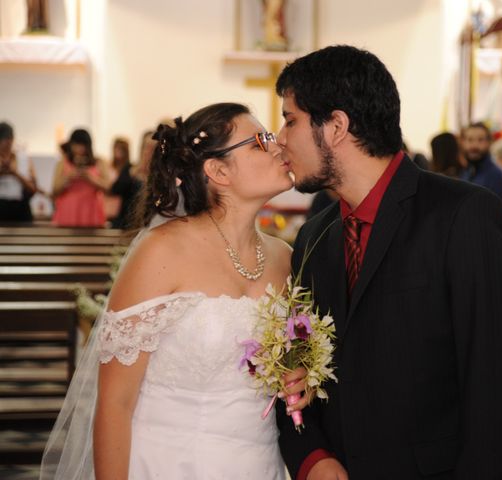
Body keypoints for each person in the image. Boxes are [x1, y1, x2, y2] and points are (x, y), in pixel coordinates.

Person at [275, 45, 502, 480]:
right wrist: (311, 456)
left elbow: (499, 390)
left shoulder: (463, 215)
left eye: (290, 119)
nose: (281, 137)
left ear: (336, 126)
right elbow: (294, 369)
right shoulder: (314, 237)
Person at [40, 103, 306, 479]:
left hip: (259, 463)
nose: (278, 144)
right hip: (167, 463)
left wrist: (300, 375)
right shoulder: (161, 253)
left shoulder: (284, 257)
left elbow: (287, 364)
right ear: (217, 170)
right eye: (260, 141)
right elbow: (115, 402)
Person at [51, 129, 110, 227]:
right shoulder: (62, 163)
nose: (79, 149)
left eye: (83, 145)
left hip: (91, 210)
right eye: (76, 145)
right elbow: (54, 190)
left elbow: (108, 188)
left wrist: (90, 178)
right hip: (68, 211)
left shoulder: (99, 162)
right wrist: (69, 177)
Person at [459, 122, 502, 206]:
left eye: (480, 140)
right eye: (470, 140)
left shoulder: (498, 177)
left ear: (489, 142)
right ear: (463, 143)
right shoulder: (466, 172)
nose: (474, 145)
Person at [0, 121, 37, 222]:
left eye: (9, 139)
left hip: (20, 208)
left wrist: (15, 173)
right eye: (3, 140)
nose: (7, 143)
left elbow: (33, 189)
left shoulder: (24, 159)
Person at [108, 137, 142, 229]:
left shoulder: (131, 168)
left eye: (122, 149)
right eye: (116, 148)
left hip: (124, 212)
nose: (118, 151)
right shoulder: (107, 166)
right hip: (110, 208)